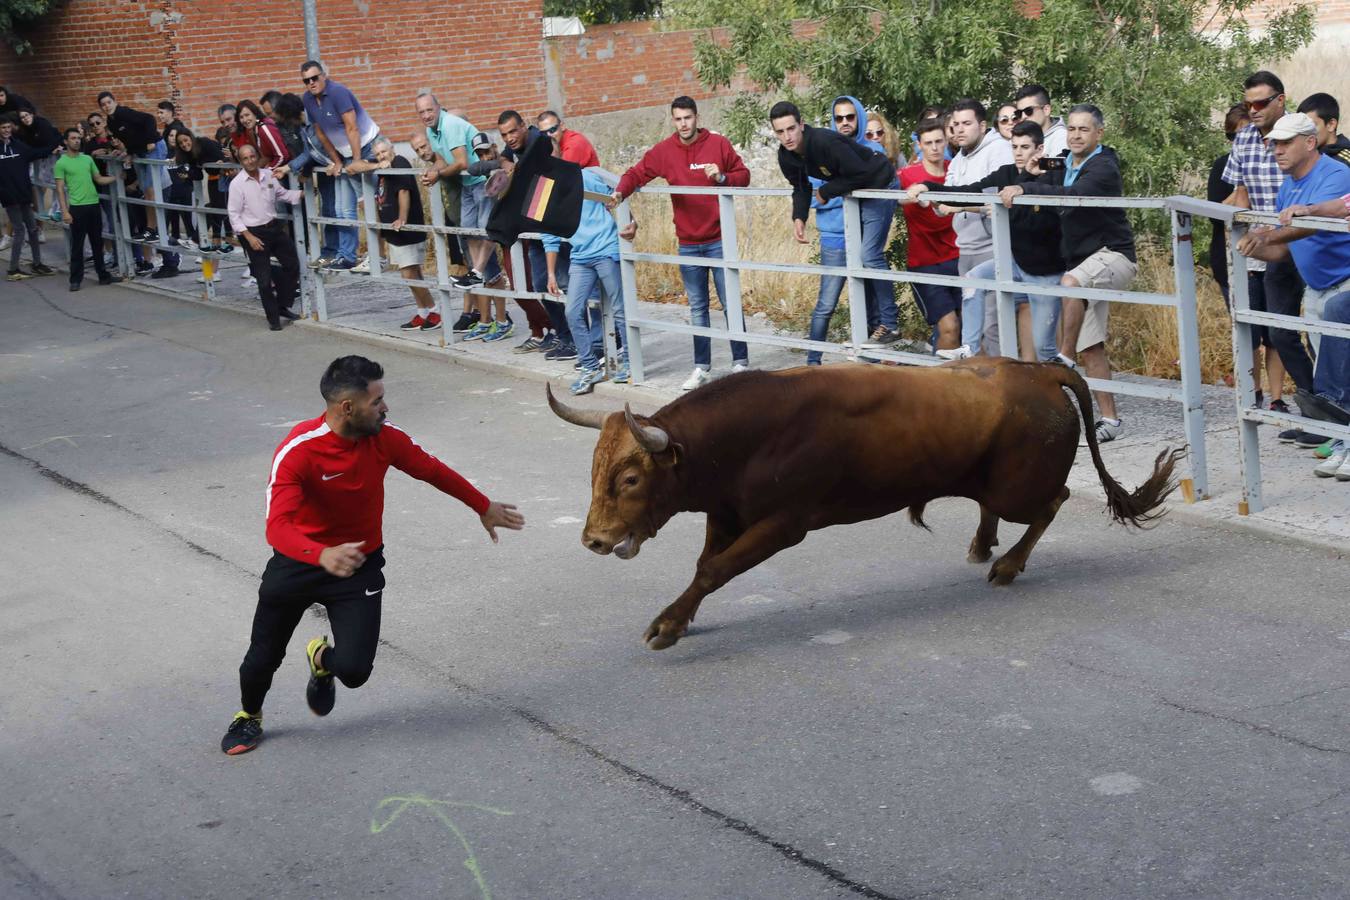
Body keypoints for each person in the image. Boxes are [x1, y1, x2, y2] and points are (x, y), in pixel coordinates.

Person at [220, 355, 525, 755]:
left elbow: (431, 469)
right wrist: (321, 553)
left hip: (358, 566)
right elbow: (277, 527)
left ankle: (322, 660)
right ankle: (249, 716)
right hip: (299, 563)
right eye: (377, 401)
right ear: (348, 407)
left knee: (355, 671)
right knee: (262, 657)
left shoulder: (385, 437)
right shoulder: (299, 452)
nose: (385, 408)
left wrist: (482, 505)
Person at [1001, 104, 1137, 443]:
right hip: (1084, 262)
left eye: (1084, 130)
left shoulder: (1103, 167)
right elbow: (1042, 169)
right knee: (1093, 346)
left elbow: (1073, 195)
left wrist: (1026, 188)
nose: (1076, 135)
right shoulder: (1063, 160)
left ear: (1099, 134)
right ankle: (1111, 420)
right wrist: (1029, 172)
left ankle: (1064, 358)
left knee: (1069, 283)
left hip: (1113, 255)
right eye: (1072, 129)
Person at [612, 96, 753, 389]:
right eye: (678, 119)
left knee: (730, 303)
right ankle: (702, 367)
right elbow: (637, 173)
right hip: (688, 242)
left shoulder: (718, 144)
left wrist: (722, 177)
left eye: (688, 118)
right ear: (673, 120)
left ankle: (741, 364)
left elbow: (744, 176)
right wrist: (619, 193)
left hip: (719, 239)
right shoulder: (665, 151)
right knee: (698, 308)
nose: (684, 124)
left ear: (696, 117)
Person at [1239, 112, 1350, 479]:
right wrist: (1254, 247)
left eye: (1284, 143)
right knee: (1333, 373)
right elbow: (1283, 250)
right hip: (1318, 287)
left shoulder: (1334, 174)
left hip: (1346, 282)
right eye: (1273, 143)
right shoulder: (1288, 185)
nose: (1275, 150)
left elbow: (1306, 224)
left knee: (1342, 370)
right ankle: (1342, 441)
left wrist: (1269, 233)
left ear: (1310, 142)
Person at [910, 119, 1064, 361]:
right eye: (1014, 147)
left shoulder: (1053, 171)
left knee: (1045, 349)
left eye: (1025, 147)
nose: (1019, 153)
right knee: (973, 279)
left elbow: (1066, 163)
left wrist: (1040, 166)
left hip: (1045, 271)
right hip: (1016, 263)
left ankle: (1065, 390)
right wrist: (928, 186)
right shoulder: (1008, 172)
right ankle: (969, 348)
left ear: (1039, 149)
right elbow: (969, 191)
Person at [1224, 71, 1312, 412]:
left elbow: (1312, 188)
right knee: (1270, 331)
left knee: (1309, 333)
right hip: (1264, 248)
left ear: (1280, 99)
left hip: (1303, 241)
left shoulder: (1299, 134)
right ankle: (1310, 404)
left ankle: (1321, 409)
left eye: (1261, 102)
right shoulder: (1245, 137)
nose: (1254, 109)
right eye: (1249, 103)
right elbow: (1240, 196)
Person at [799, 96, 897, 365]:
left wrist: (834, 192)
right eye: (839, 117)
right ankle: (812, 363)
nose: (844, 123)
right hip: (835, 238)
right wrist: (844, 193)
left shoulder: (871, 150)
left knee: (869, 305)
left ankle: (870, 364)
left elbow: (886, 190)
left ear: (859, 118)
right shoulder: (823, 150)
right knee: (826, 304)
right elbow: (812, 197)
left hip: (863, 238)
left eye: (850, 117)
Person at [545, 170, 635, 395]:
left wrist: (632, 222)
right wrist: (551, 274)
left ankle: (632, 362)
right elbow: (550, 235)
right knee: (572, 312)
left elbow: (616, 196)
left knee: (619, 308)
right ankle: (590, 367)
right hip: (580, 256)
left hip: (605, 249)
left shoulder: (585, 177)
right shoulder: (545, 189)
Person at [943, 99, 1013, 354]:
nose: (960, 130)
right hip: (966, 249)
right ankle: (983, 389)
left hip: (992, 248)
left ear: (982, 125)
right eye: (956, 125)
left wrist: (959, 206)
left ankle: (1005, 389)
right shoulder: (957, 159)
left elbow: (997, 204)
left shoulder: (999, 151)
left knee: (993, 327)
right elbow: (946, 201)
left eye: (967, 124)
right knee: (973, 330)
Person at [346, 138, 439, 330]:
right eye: (378, 153)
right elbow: (353, 167)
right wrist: (377, 164)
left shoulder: (399, 162)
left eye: (384, 152)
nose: (382, 156)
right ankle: (423, 312)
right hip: (393, 231)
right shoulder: (383, 168)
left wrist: (402, 218)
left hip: (405, 228)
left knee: (409, 274)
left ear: (392, 149)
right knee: (412, 274)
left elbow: (404, 191)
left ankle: (435, 311)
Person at [300, 60, 382, 270]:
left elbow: (352, 128)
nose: (311, 83)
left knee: (367, 202)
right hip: (344, 154)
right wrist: (337, 161)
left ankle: (379, 257)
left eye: (314, 78)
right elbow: (320, 132)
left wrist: (356, 161)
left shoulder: (338, 92)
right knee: (341, 207)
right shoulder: (308, 99)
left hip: (365, 147)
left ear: (323, 75)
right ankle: (346, 256)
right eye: (306, 80)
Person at [897, 117, 962, 354]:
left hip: (959, 257)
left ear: (946, 141)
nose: (934, 147)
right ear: (920, 145)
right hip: (925, 262)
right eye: (928, 143)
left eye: (938, 141)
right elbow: (887, 195)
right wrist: (906, 197)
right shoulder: (907, 175)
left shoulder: (956, 170)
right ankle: (939, 388)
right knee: (949, 327)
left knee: (966, 327)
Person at [100, 90, 179, 276]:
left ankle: (152, 232)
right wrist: (130, 152)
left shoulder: (123, 113)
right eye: (103, 104)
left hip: (154, 150)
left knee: (151, 193)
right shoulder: (111, 122)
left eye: (108, 102)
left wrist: (151, 140)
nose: (106, 106)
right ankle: (158, 245)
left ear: (114, 101)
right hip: (141, 153)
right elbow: (131, 138)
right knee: (147, 194)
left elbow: (149, 119)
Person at [227, 143, 303, 330]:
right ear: (241, 161)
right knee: (263, 279)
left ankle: (282, 305)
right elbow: (233, 214)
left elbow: (282, 194)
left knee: (292, 264)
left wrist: (302, 193)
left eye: (252, 156)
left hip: (273, 228)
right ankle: (273, 318)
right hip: (253, 233)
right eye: (245, 158)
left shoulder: (268, 175)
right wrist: (249, 237)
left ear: (257, 156)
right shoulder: (237, 184)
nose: (250, 161)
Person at [54, 127, 121, 291]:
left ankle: (103, 276)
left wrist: (116, 178)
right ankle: (75, 280)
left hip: (93, 205)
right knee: (77, 245)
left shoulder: (87, 159)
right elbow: (60, 189)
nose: (77, 141)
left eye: (78, 138)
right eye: (73, 138)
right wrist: (64, 211)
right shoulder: (61, 163)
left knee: (97, 243)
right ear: (66, 141)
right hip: (77, 208)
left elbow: (98, 179)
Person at [0, 115, 56, 280]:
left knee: (33, 229)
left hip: (24, 194)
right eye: (3, 128)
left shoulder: (19, 146)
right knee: (19, 230)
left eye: (8, 127)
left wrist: (56, 144)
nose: (6, 131)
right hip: (10, 198)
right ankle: (13, 269)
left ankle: (37, 264)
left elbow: (37, 153)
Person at [1208, 103, 1250, 307]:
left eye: (1244, 134)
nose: (1238, 142)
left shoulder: (1273, 162)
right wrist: (1242, 189)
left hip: (1268, 257)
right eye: (1232, 137)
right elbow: (1214, 215)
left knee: (1276, 334)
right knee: (1242, 332)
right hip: (1227, 259)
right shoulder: (1221, 165)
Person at [176, 128, 231, 253]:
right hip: (213, 179)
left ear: (191, 137)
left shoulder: (204, 143)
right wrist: (187, 174)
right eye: (181, 143)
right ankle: (213, 247)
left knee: (218, 210)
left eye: (186, 140)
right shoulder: (189, 154)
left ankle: (198, 240)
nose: (184, 144)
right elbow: (198, 175)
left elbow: (224, 158)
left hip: (226, 178)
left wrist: (221, 162)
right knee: (214, 210)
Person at [15, 108, 60, 219]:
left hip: (53, 157)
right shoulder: (25, 131)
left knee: (56, 183)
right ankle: (38, 207)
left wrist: (46, 150)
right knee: (35, 180)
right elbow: (30, 151)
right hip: (43, 158)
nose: (25, 118)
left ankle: (56, 211)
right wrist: (45, 151)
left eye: (27, 115)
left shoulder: (42, 124)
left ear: (32, 114)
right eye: (22, 117)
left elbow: (51, 143)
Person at [1011, 84, 1068, 158]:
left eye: (1028, 111)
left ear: (1046, 110)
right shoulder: (1017, 139)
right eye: (1019, 113)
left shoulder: (1061, 137)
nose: (1023, 117)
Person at [232, 99, 289, 169]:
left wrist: (266, 171)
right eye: (241, 117)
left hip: (288, 170)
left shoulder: (264, 128)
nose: (245, 120)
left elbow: (282, 156)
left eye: (247, 115)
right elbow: (266, 156)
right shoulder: (253, 129)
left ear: (255, 113)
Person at [1297, 93, 1350, 167]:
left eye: (1311, 126)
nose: (1305, 132)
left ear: (1331, 125)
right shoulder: (1306, 155)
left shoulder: (1345, 162)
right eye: (1302, 127)